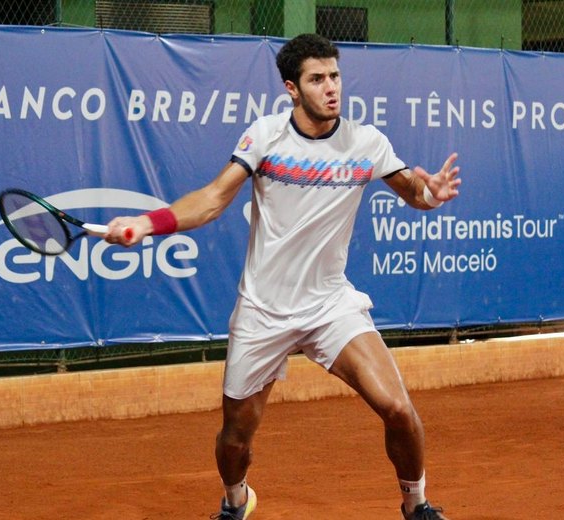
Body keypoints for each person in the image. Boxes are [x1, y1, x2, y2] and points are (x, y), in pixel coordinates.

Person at [105, 33, 461, 520]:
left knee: (398, 408)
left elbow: (412, 192)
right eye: (317, 79)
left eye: (335, 76)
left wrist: (431, 193)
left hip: (330, 305)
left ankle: (416, 505)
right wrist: (147, 224)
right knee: (236, 438)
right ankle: (236, 501)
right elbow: (212, 199)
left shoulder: (366, 142)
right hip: (263, 310)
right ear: (292, 88)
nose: (331, 87)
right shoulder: (266, 138)